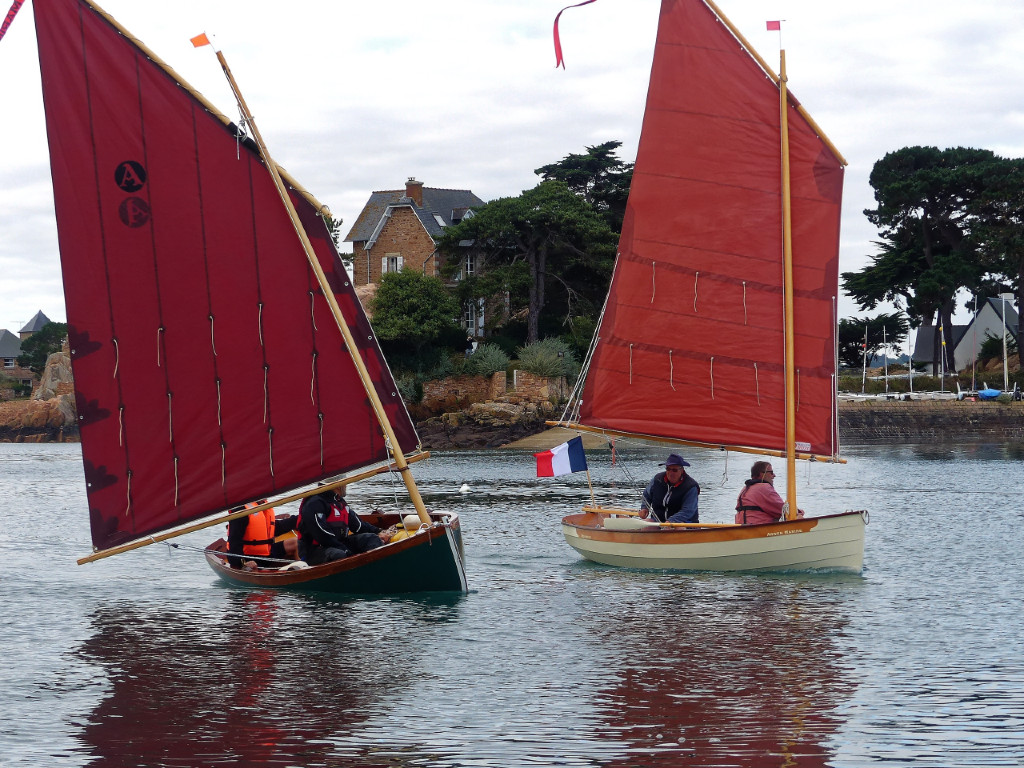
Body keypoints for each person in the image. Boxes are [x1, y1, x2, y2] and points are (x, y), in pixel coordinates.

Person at [295, 485, 391, 565]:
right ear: (338, 485)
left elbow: (358, 526)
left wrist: (378, 531)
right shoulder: (314, 503)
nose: (346, 485)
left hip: (339, 543)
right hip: (315, 551)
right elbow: (322, 535)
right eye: (345, 483)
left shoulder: (339, 501)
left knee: (371, 538)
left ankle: (379, 567)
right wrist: (345, 550)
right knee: (338, 554)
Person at [227, 499, 298, 570]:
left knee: (296, 542)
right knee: (258, 569)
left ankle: (304, 569)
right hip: (249, 558)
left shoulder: (263, 505)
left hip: (268, 554)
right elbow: (234, 541)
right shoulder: (241, 509)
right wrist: (242, 563)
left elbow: (274, 528)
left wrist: (298, 519)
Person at [734, 461, 803, 524]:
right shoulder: (763, 488)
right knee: (798, 518)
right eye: (771, 472)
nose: (774, 475)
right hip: (759, 529)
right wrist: (799, 512)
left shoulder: (745, 489)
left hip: (743, 528)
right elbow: (782, 509)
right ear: (762, 474)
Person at [641, 453, 700, 524]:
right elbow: (646, 494)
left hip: (684, 523)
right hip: (658, 520)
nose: (670, 473)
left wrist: (671, 521)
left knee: (675, 529)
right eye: (668, 469)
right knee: (645, 525)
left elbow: (688, 511)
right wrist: (644, 508)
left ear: (682, 470)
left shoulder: (690, 486)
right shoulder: (657, 479)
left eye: (674, 470)